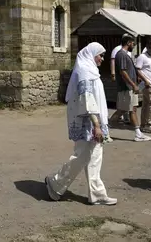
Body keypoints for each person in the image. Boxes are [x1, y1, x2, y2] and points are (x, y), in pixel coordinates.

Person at [45, 42, 116, 205]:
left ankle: (97, 194)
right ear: (92, 54)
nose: (102, 59)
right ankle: (55, 183)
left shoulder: (91, 71)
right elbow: (87, 99)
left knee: (95, 157)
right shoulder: (84, 71)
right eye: (100, 55)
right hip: (88, 123)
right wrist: (96, 125)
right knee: (82, 157)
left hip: (93, 122)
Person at [109, 35, 151, 142]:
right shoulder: (122, 55)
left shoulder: (126, 55)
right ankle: (105, 130)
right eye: (133, 43)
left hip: (129, 88)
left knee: (131, 109)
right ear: (128, 43)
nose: (134, 45)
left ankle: (138, 133)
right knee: (123, 111)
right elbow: (123, 72)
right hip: (126, 88)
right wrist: (133, 85)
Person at [135, 39, 151, 134]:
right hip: (146, 84)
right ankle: (150, 124)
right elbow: (138, 69)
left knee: (146, 104)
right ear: (147, 47)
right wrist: (145, 80)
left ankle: (143, 125)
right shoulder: (142, 57)